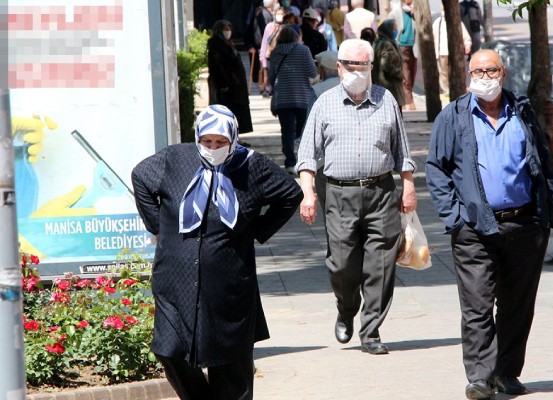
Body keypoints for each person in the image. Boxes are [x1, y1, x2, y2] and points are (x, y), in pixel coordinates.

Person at [131, 105, 302, 400]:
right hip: (175, 281)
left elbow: (290, 194)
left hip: (227, 285)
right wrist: (160, 225)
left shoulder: (251, 166)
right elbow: (141, 177)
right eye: (207, 141)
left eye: (220, 142)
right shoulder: (175, 158)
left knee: (230, 364)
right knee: (168, 350)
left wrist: (256, 230)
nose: (212, 148)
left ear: (233, 139)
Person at [425, 49, 553, 400]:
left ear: (504, 72)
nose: (485, 77)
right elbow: (436, 168)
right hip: (473, 228)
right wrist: (454, 217)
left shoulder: (522, 111)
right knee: (477, 305)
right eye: (478, 71)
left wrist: (547, 210)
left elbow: (542, 159)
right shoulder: (453, 116)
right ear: (468, 74)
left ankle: (506, 373)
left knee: (517, 305)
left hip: (524, 224)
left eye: (491, 70)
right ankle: (480, 378)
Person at [295, 39, 416, 356]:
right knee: (342, 265)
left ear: (371, 67)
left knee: (381, 264)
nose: (356, 71)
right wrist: (308, 194)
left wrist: (408, 187)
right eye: (349, 65)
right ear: (338, 67)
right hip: (339, 194)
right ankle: (346, 308)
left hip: (381, 192)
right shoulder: (324, 103)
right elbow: (307, 155)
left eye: (362, 65)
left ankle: (371, 330)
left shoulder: (386, 101)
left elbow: (402, 151)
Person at [268, 25, 318, 173]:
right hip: (301, 96)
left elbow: (271, 76)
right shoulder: (304, 50)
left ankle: (290, 161)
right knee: (303, 130)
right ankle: (303, 159)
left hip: (282, 98)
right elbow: (312, 72)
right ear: (297, 36)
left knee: (287, 130)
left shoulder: (275, 52)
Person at [207, 20, 253, 135]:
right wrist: (223, 84)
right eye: (225, 29)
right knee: (227, 112)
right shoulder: (216, 44)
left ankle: (235, 136)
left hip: (235, 85)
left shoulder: (228, 43)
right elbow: (217, 66)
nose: (228, 32)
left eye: (229, 29)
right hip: (226, 86)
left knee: (236, 112)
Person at [432, 8, 472, 96]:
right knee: (443, 72)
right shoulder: (438, 22)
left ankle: (456, 88)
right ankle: (446, 89)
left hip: (454, 52)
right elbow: (432, 36)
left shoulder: (457, 22)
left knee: (454, 72)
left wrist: (467, 45)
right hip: (441, 51)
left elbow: (465, 36)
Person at [371, 19, 404, 108]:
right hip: (389, 86)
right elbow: (387, 65)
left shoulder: (379, 42)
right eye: (394, 29)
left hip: (382, 86)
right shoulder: (386, 44)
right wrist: (400, 74)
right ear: (388, 30)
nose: (396, 31)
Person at [397, 0, 417, 111]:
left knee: (412, 72)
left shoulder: (416, 10)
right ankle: (409, 100)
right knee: (406, 74)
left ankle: (404, 99)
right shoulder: (397, 11)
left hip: (414, 45)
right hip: (402, 45)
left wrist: (416, 14)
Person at [254, 0, 276, 96]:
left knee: (266, 69)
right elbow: (265, 35)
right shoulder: (265, 15)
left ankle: (266, 87)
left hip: (264, 46)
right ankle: (267, 87)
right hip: (267, 47)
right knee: (266, 69)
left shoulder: (263, 13)